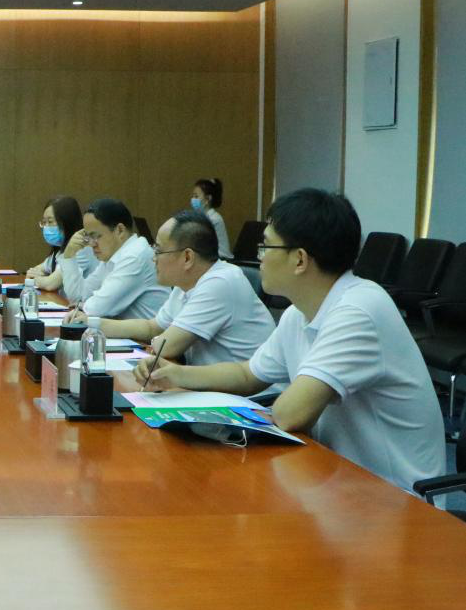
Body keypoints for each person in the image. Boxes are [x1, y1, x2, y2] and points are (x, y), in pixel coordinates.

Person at [134, 188, 445, 495]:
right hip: (336, 478)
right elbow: (248, 374)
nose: (259, 257)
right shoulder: (300, 312)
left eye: (266, 246)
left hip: (394, 498)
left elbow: (289, 414)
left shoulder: (358, 311)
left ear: (299, 260)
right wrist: (176, 374)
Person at [75, 209, 274, 366]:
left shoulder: (221, 282)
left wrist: (157, 341)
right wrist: (91, 323)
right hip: (213, 391)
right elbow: (152, 327)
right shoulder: (187, 282)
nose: (153, 258)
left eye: (158, 250)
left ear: (187, 257)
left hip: (252, 400)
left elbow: (166, 346)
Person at [61, 198, 169, 320]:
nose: (91, 244)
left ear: (120, 230)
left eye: (95, 236)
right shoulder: (113, 256)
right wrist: (69, 255)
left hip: (145, 333)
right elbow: (79, 296)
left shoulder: (135, 256)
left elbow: (98, 308)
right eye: (88, 237)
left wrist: (84, 305)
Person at [26, 195, 97, 300]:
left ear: (67, 222)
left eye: (50, 222)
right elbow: (34, 271)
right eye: (44, 222)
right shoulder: (59, 249)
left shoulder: (82, 248)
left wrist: (36, 280)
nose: (46, 227)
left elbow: (50, 284)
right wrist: (40, 278)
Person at [191, 178, 233, 259]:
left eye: (196, 196)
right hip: (210, 257)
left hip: (220, 257)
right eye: (193, 196)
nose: (193, 199)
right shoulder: (201, 217)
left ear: (207, 199)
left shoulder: (214, 219)